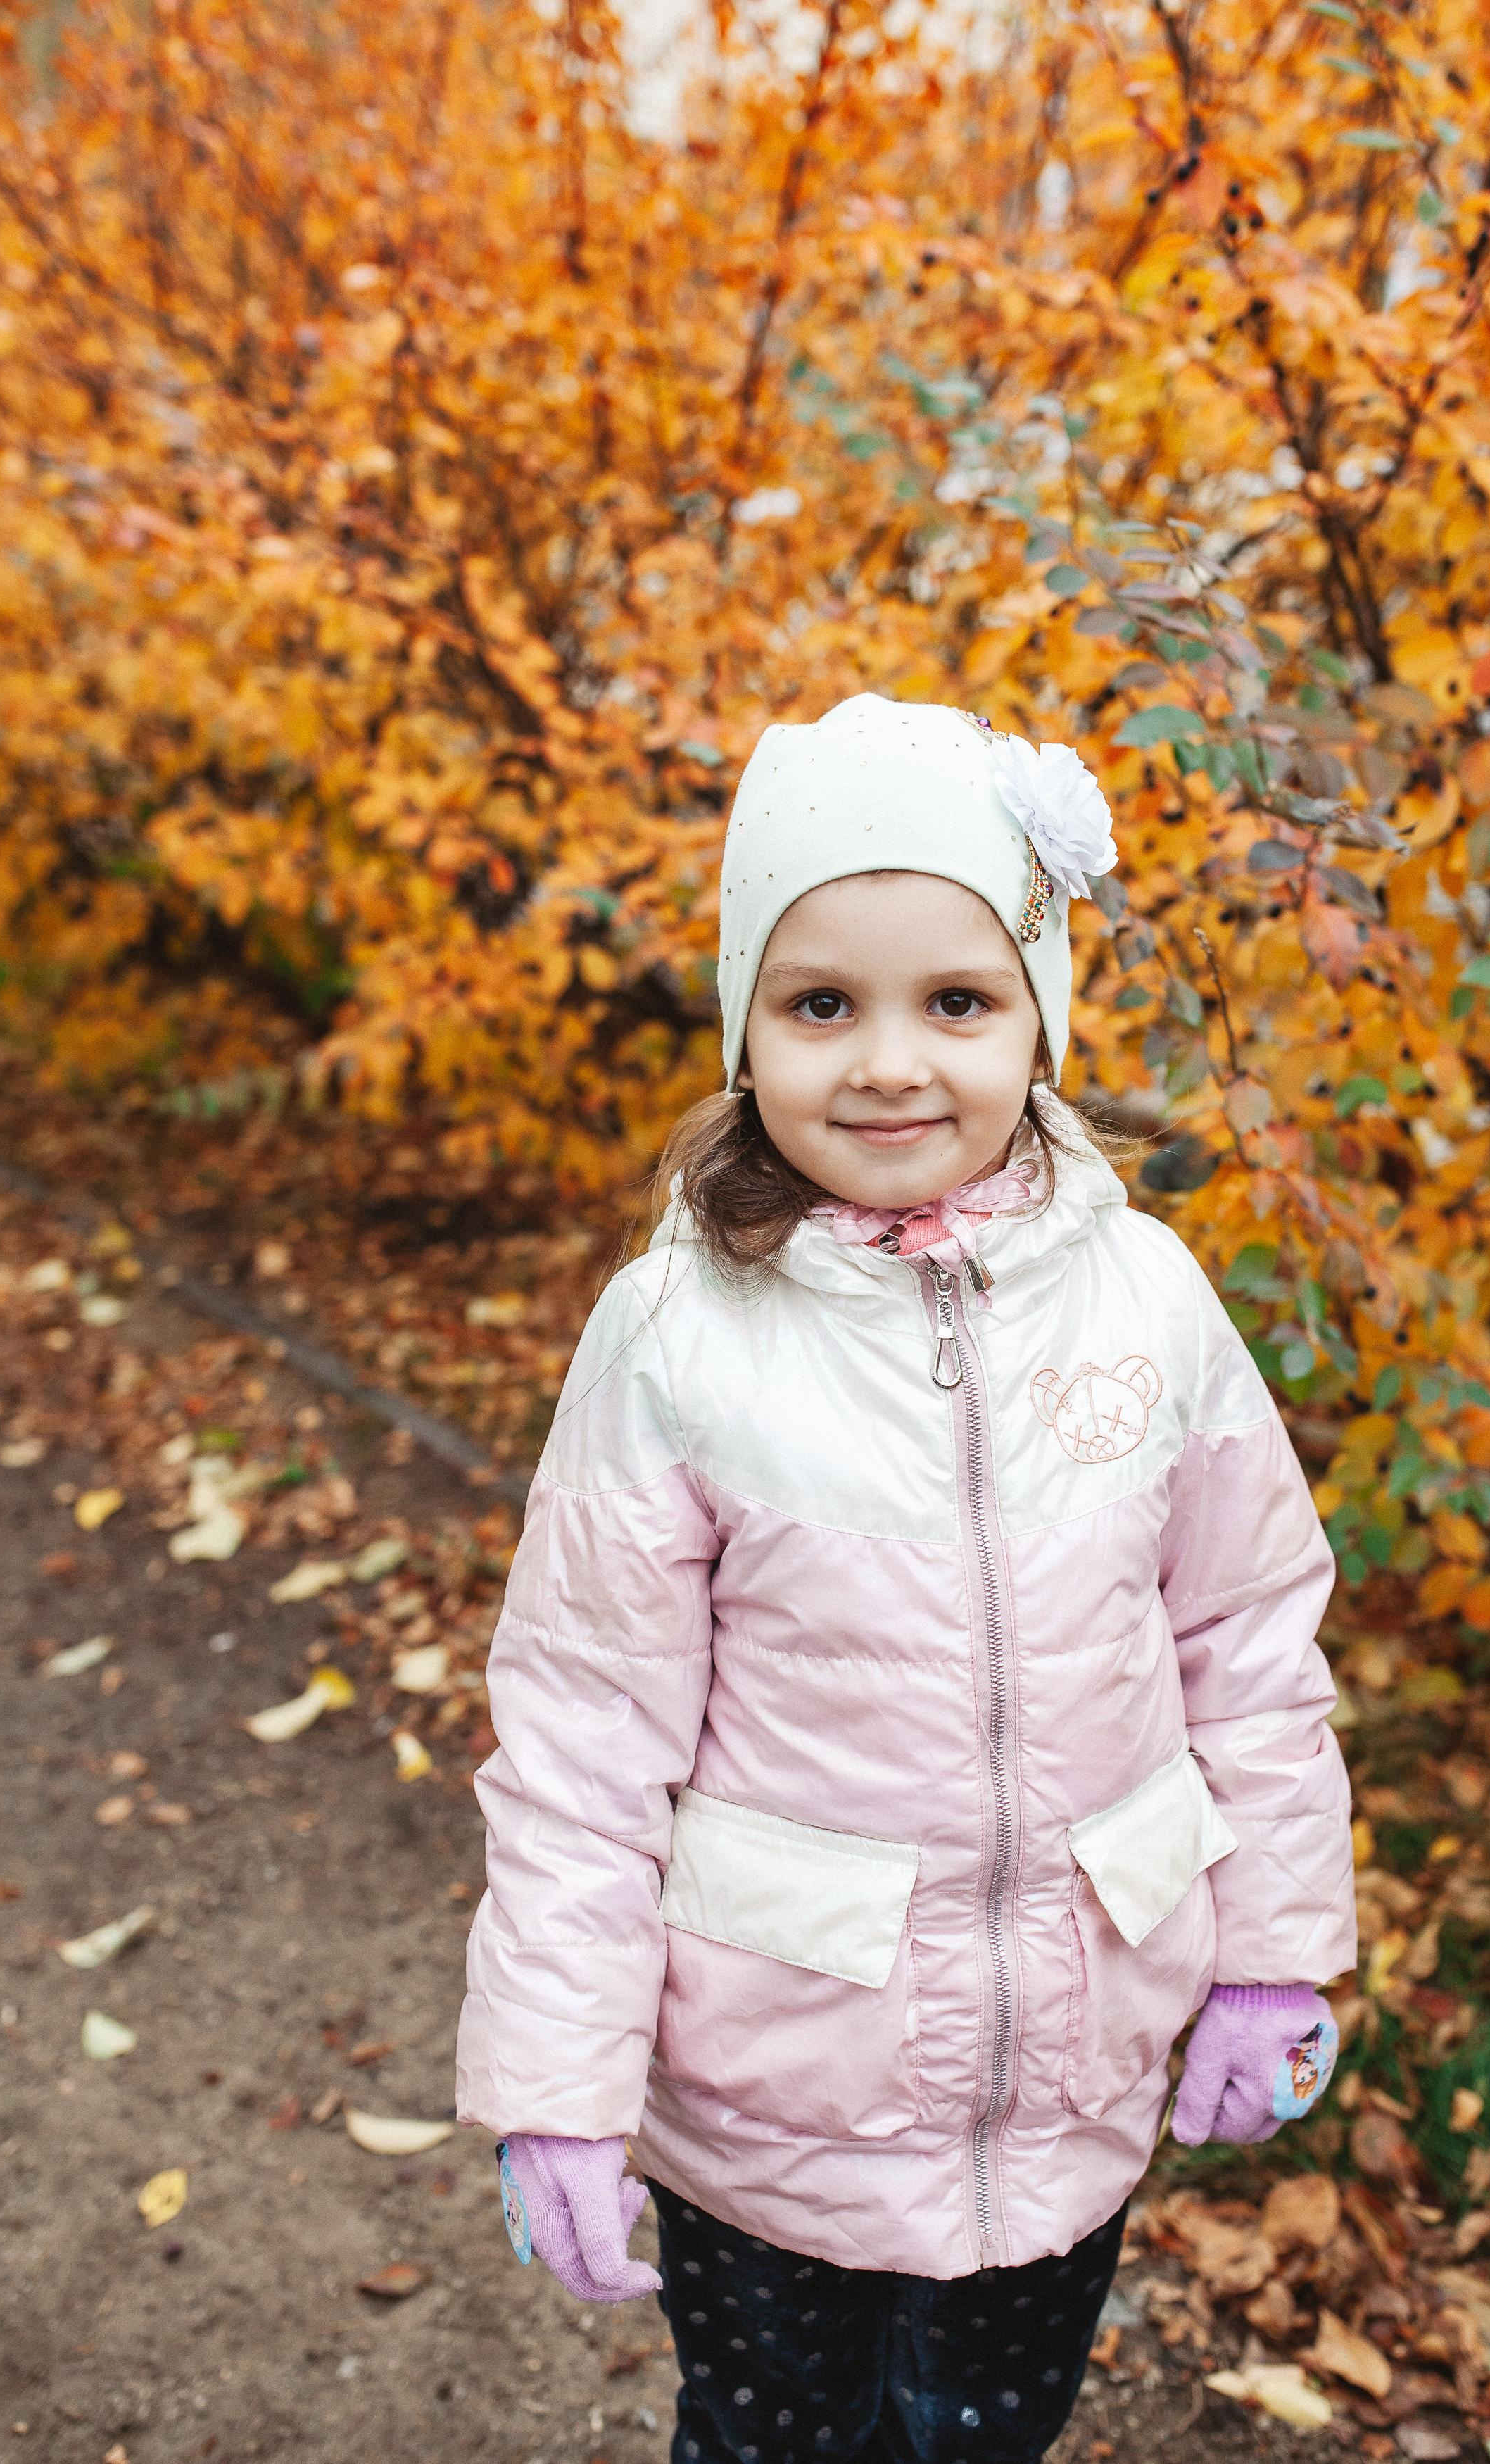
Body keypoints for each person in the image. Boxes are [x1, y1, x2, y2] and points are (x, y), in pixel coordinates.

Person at [457, 693, 1357, 2464]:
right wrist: (556, 2090)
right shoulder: (677, 1334)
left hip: (1073, 2072)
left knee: (981, 2441)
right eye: (820, 1004)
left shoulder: (1150, 1299)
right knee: (776, 2435)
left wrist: (1272, 1957)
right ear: (745, 1027)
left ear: (1039, 1016)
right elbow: (579, 1737)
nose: (888, 1061)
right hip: (779, 2083)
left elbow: (1249, 1641)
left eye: (956, 1000)